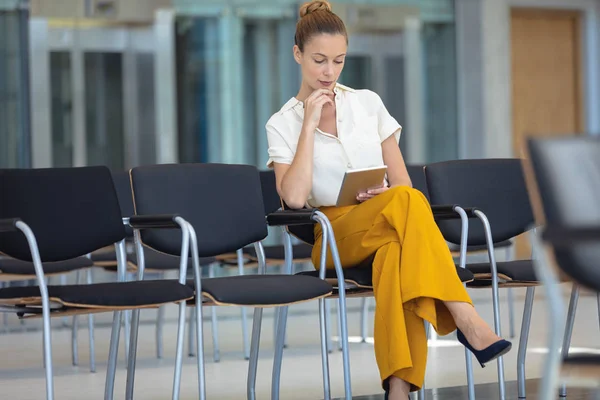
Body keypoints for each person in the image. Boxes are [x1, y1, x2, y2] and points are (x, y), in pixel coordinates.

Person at [265, 1, 512, 398]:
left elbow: (402, 184)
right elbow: (293, 199)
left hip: (386, 220)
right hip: (330, 234)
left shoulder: (368, 103)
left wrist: (383, 194)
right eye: (319, 61)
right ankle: (465, 317)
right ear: (298, 55)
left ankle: (398, 390)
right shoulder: (282, 122)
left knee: (396, 255)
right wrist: (308, 126)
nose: (329, 72)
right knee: (405, 204)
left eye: (339, 60)